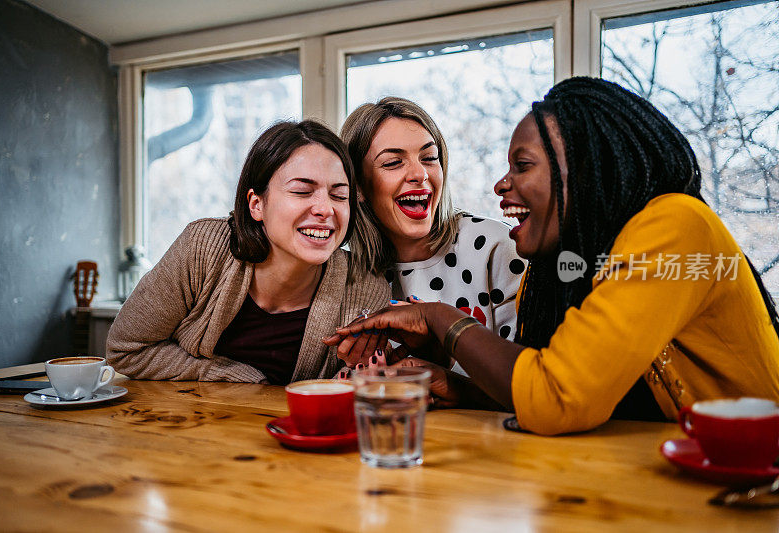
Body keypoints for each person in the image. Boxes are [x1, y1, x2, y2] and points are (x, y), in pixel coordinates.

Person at [325, 77, 779, 435]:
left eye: (522, 166)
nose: (500, 185)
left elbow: (555, 399)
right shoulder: (567, 265)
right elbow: (544, 381)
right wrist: (456, 382)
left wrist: (441, 319)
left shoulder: (674, 226)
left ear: (584, 170)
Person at [107, 120, 390, 384]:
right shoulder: (203, 248)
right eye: (302, 191)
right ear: (257, 205)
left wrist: (361, 377)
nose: (325, 209)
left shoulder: (365, 287)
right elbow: (125, 350)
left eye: (339, 196)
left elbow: (349, 387)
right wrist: (229, 374)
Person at [340, 97, 526, 372]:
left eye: (429, 158)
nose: (420, 174)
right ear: (358, 187)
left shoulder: (496, 246)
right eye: (393, 162)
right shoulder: (348, 273)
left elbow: (524, 378)